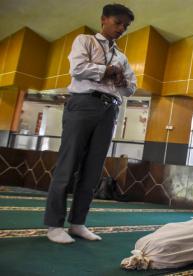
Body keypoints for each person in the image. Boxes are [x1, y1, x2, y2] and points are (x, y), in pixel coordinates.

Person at [44, 3, 136, 244]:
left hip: (110, 110)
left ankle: (77, 223)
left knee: (93, 169)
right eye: (118, 23)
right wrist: (107, 71)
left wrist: (122, 78)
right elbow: (77, 68)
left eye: (125, 26)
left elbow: (130, 89)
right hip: (83, 103)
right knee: (68, 165)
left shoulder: (122, 57)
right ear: (104, 19)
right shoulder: (84, 41)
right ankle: (54, 225)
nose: (121, 29)